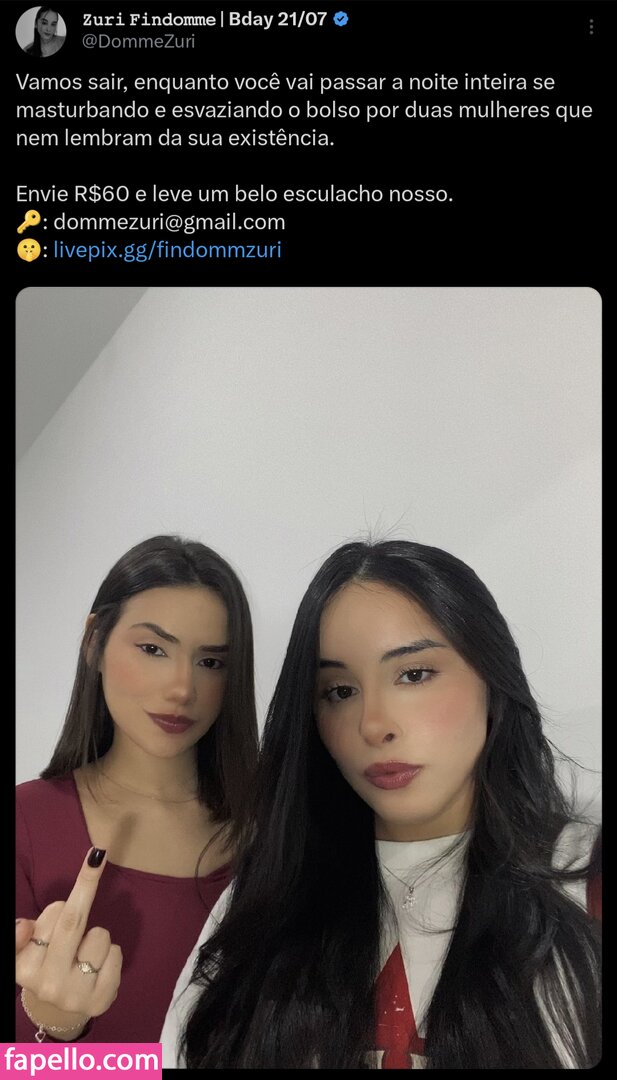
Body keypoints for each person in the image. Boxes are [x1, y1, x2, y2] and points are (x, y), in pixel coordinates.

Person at [161, 539, 601, 1069]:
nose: (373, 725)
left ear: (492, 678)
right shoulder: (268, 895)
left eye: (413, 674)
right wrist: (70, 1038)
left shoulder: (584, 879)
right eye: (340, 691)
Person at [16, 535, 258, 1043]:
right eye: (153, 649)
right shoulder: (26, 823)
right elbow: (16, 1067)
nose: (182, 688)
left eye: (211, 662)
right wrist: (57, 1026)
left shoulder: (273, 832)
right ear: (94, 643)